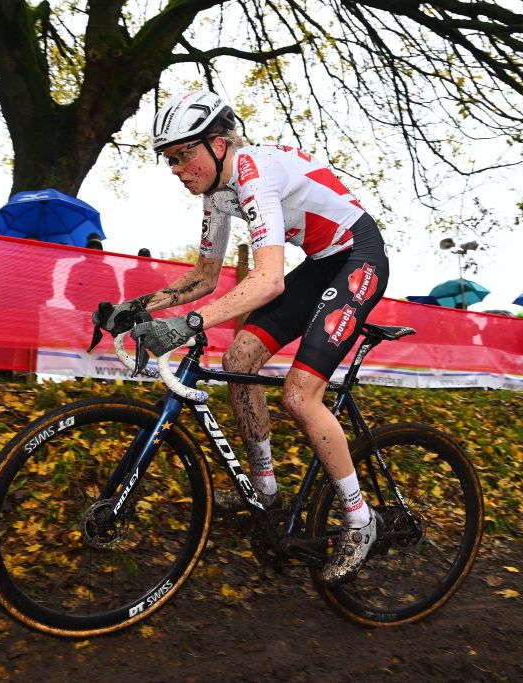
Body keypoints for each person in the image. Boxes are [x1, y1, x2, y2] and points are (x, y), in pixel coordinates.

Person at [91, 90, 390, 586]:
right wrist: (136, 308)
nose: (177, 169)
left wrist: (186, 325)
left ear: (218, 144)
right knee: (240, 355)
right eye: (170, 160)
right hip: (321, 265)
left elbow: (269, 280)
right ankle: (266, 488)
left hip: (359, 255)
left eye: (184, 155)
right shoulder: (217, 195)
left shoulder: (253, 173)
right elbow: (204, 276)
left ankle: (360, 522)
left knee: (299, 394)